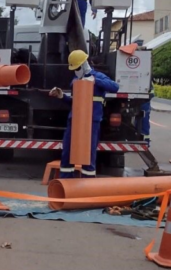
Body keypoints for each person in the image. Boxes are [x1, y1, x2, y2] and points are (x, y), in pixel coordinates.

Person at [49, 50, 119, 178]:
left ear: (84, 64)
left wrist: (95, 80)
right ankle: (66, 184)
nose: (75, 71)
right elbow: (75, 103)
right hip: (74, 120)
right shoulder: (76, 80)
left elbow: (115, 87)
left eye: (77, 68)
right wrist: (62, 96)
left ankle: (86, 186)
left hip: (92, 121)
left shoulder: (97, 76)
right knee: (67, 153)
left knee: (89, 154)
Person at [140, 80, 155, 147]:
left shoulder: (147, 81)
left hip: (144, 102)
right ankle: (145, 141)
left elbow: (151, 94)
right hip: (144, 102)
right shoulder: (147, 80)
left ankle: (145, 141)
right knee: (144, 121)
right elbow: (152, 94)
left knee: (143, 121)